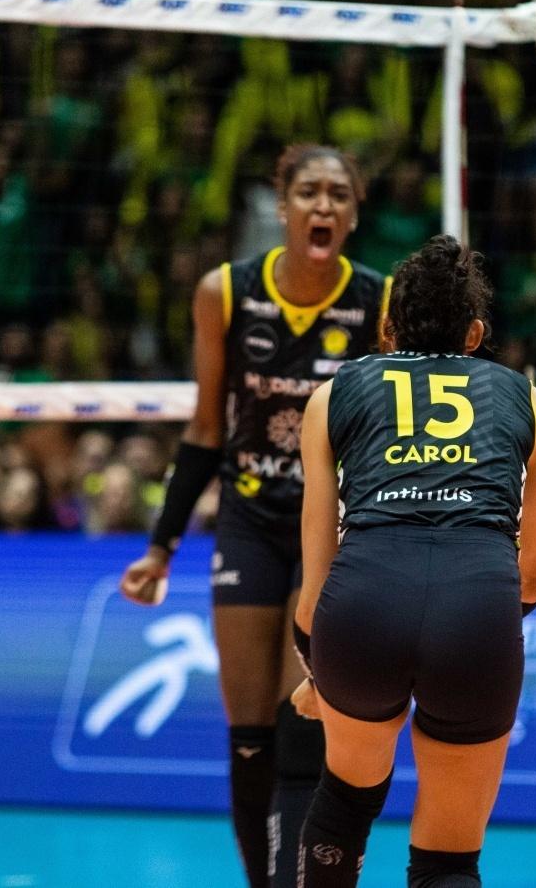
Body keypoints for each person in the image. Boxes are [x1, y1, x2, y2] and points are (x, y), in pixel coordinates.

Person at [120, 145, 390, 888]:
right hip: (246, 520)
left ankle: (298, 877)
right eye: (309, 192)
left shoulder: (377, 301)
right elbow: (206, 427)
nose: (324, 206)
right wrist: (160, 546)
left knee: (299, 723)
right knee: (247, 739)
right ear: (281, 206)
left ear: (355, 214)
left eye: (339, 195)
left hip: (324, 523)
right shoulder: (225, 293)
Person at [288, 235, 536, 886]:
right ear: (474, 334)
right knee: (448, 857)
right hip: (477, 612)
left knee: (345, 800)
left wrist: (318, 673)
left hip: (362, 607)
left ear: (387, 330)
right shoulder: (535, 405)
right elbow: (535, 575)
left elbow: (314, 579)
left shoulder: (333, 396)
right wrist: (472, 622)